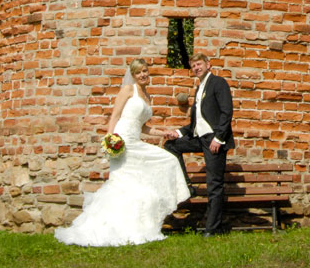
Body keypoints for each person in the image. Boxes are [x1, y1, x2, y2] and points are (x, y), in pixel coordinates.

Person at [54, 58, 190, 247]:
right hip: (122, 141)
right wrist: (110, 138)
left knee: (168, 160)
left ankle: (139, 227)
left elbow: (144, 127)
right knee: (122, 183)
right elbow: (115, 115)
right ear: (133, 75)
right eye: (138, 72)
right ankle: (108, 227)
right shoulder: (128, 90)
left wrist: (163, 132)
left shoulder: (147, 96)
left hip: (136, 141)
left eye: (145, 71)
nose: (142, 75)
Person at [164, 54, 234, 236]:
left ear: (208, 65)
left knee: (214, 184)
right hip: (199, 138)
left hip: (213, 140)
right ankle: (187, 185)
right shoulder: (199, 88)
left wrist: (219, 138)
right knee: (171, 146)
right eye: (193, 66)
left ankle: (212, 229)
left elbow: (227, 111)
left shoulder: (218, 82)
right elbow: (197, 122)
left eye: (199, 64)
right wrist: (179, 133)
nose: (196, 68)